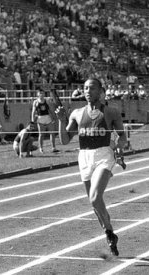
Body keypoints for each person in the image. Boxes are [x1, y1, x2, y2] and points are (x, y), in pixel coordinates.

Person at [54, 78, 127, 256]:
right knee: (94, 203)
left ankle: (109, 232)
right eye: (85, 88)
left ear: (101, 92)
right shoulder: (77, 113)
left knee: (95, 197)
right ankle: (109, 232)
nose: (88, 91)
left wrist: (118, 147)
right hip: (84, 157)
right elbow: (64, 140)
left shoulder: (111, 112)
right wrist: (61, 120)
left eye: (92, 88)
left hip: (103, 155)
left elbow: (123, 137)